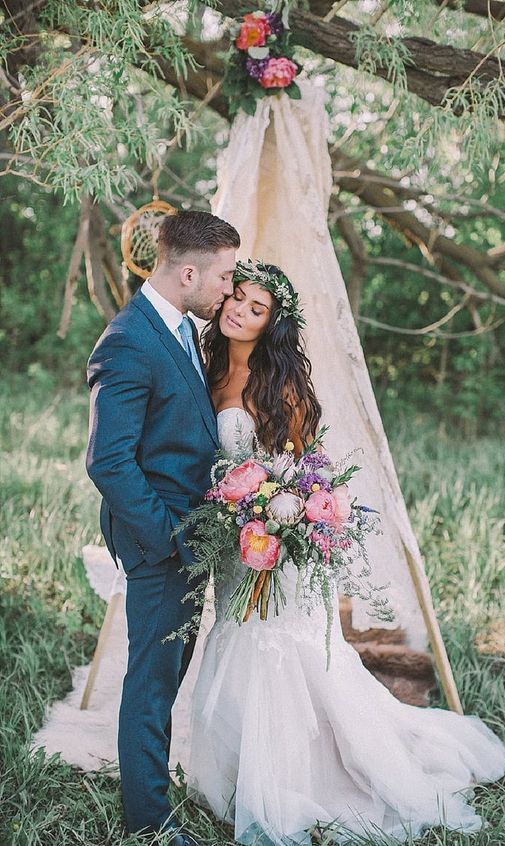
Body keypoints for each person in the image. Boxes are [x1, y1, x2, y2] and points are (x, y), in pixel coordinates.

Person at [185, 260, 505, 846]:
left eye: (257, 309)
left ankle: (294, 779)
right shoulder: (205, 367)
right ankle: (235, 771)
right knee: (233, 637)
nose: (239, 311)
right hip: (231, 544)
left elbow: (304, 470)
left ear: (271, 324)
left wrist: (281, 517)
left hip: (276, 546)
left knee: (276, 649)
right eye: (237, 299)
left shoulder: (278, 385)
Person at [86, 210, 240, 846]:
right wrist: (173, 537)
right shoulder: (128, 340)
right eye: (225, 277)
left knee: (168, 670)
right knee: (151, 681)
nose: (230, 290)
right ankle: (149, 824)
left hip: (187, 534)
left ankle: (152, 787)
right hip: (159, 540)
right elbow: (108, 462)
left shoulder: (177, 329)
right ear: (187, 272)